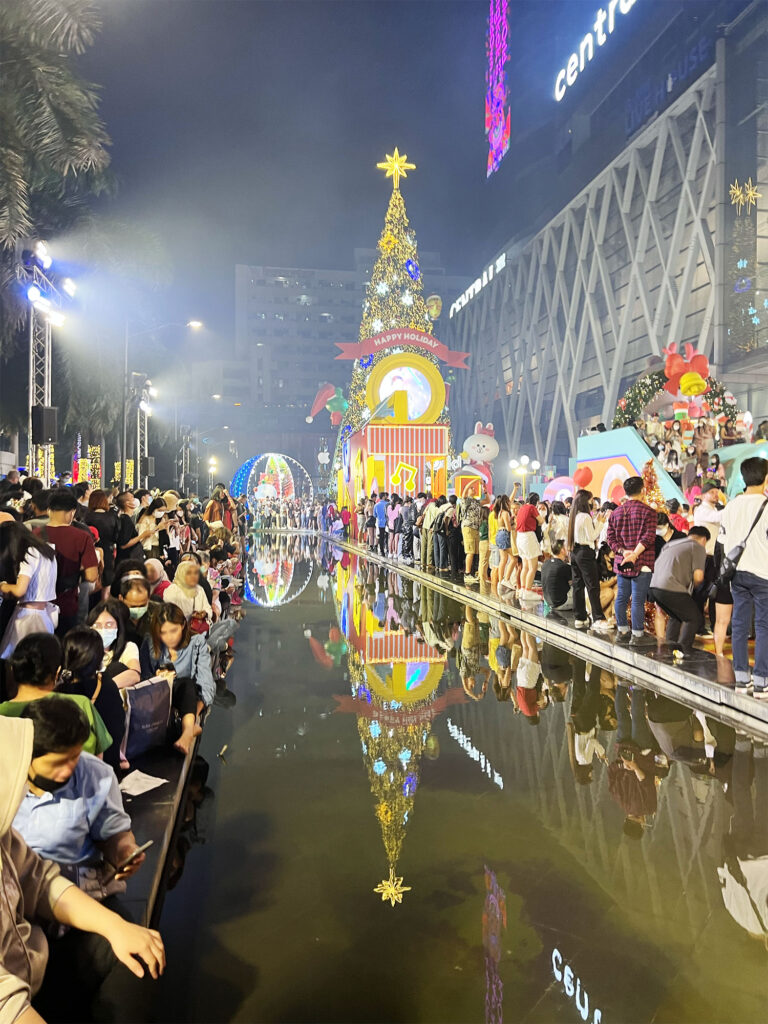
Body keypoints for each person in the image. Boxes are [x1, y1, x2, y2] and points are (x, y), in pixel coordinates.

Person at [0, 715, 165, 1024]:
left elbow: (39, 879)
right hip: (15, 991)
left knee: (137, 953)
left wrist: (115, 927)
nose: (71, 769)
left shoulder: (5, 836)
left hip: (39, 957)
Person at [13, 697, 145, 894]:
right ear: (28, 753)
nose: (68, 770)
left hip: (79, 889)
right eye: (57, 763)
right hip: (15, 891)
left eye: (74, 757)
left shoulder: (95, 775)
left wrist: (124, 852)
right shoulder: (8, 777)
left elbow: (114, 836)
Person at [0, 633, 112, 756]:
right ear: (58, 673)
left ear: (13, 670)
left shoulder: (2, 712)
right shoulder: (80, 705)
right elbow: (98, 762)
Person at [719, 457, 768, 696]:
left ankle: (741, 679)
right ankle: (761, 681)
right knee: (763, 626)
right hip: (763, 574)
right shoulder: (766, 506)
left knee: (738, 625)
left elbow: (722, 542)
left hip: (736, 574)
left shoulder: (730, 506)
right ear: (766, 477)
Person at [57, 627, 126, 770]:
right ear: (99, 657)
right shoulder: (108, 685)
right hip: (108, 768)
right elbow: (118, 727)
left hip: (70, 772)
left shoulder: (60, 693)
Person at [606, 476, 657, 644]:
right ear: (642, 490)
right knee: (638, 600)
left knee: (621, 597)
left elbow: (611, 538)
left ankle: (622, 631)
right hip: (642, 562)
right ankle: (637, 635)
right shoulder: (649, 512)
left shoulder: (616, 513)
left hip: (622, 562)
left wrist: (623, 551)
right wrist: (635, 554)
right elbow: (648, 537)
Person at [41, 488, 99, 635]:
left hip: (39, 606)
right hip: (67, 604)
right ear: (72, 512)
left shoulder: (35, 534)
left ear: (49, 510)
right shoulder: (82, 537)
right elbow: (92, 576)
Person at [140, 602, 216, 710]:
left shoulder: (197, 643)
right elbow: (144, 680)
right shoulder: (150, 643)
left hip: (187, 704)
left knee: (187, 685)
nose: (169, 637)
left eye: (173, 631)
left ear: (183, 625)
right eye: (163, 633)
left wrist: (195, 716)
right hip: (156, 702)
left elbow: (206, 685)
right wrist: (157, 678)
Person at [0, 520, 58, 657]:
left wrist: (3, 586)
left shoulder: (30, 553)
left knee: (16, 659)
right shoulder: (47, 551)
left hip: (27, 618)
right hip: (44, 615)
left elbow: (20, 590)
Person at [648, 526, 709, 653]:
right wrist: (696, 587)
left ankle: (670, 649)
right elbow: (698, 576)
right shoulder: (697, 547)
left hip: (654, 586)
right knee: (693, 618)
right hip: (671, 586)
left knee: (675, 616)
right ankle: (683, 650)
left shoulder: (672, 544)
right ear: (704, 539)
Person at [567, 489, 611, 632]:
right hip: (585, 553)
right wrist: (601, 523)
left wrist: (597, 521)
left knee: (578, 585)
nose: (593, 502)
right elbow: (592, 536)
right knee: (592, 586)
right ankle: (598, 618)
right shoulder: (585, 516)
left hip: (575, 552)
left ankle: (580, 617)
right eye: (591, 500)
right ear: (585, 501)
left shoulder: (574, 515)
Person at [87, 599, 141, 688]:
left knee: (116, 668)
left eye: (109, 625)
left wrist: (102, 689)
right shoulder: (83, 649)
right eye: (98, 625)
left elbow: (134, 675)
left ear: (118, 627)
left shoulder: (128, 647)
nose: (103, 630)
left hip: (111, 697)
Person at [84, 489, 120, 599]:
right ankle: (104, 608)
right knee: (106, 583)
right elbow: (116, 537)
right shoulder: (112, 517)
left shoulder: (87, 516)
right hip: (108, 552)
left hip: (91, 552)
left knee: (91, 581)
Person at [163, 560, 213, 628]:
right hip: (178, 629)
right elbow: (168, 614)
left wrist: (204, 613)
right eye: (189, 573)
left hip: (197, 630)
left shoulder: (199, 589)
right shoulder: (171, 590)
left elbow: (207, 608)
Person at [515, 492, 544, 597]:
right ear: (536, 501)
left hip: (520, 537)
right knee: (533, 566)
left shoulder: (522, 507)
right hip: (528, 536)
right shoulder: (532, 507)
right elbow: (541, 521)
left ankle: (523, 590)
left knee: (525, 566)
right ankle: (528, 591)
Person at [694, 481, 723, 555]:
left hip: (714, 552)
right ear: (703, 496)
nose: (715, 495)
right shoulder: (701, 509)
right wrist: (733, 507)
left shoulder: (714, 509)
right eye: (712, 492)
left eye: (716, 492)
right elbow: (716, 517)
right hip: (706, 553)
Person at [541, 539, 571, 611]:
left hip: (548, 602)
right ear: (562, 550)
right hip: (561, 603)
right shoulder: (563, 566)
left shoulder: (545, 564)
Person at [460, 495, 482, 584]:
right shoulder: (466, 501)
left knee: (476, 551)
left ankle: (473, 572)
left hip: (476, 527)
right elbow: (464, 492)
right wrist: (471, 482)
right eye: (472, 488)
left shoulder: (477, 502)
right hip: (468, 526)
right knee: (470, 551)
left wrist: (484, 489)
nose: (474, 489)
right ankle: (467, 573)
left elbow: (487, 500)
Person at [374, 492, 389, 557]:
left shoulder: (376, 505)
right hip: (387, 523)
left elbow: (375, 515)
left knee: (381, 537)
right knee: (388, 537)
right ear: (383, 497)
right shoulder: (388, 504)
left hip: (380, 523)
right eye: (385, 496)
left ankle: (381, 550)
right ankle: (388, 550)